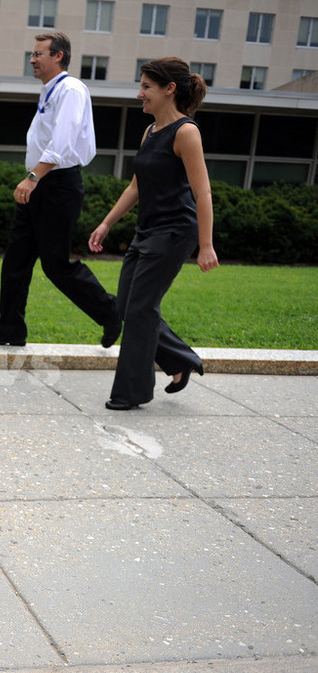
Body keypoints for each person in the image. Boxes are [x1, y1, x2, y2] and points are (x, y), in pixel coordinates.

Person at [88, 57, 219, 411]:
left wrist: (205, 245)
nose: (139, 94)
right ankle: (180, 360)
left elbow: (202, 192)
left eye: (146, 87)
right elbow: (136, 186)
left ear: (169, 89)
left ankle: (131, 392)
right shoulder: (150, 132)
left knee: (142, 308)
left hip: (175, 232)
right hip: (147, 231)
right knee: (129, 306)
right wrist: (107, 222)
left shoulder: (186, 132)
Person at [0, 31, 120, 349]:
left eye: (38, 54)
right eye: (33, 54)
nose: (32, 59)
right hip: (42, 184)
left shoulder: (70, 90)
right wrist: (34, 180)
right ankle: (11, 329)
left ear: (58, 56)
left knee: (55, 265)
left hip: (58, 185)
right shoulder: (49, 91)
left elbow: (63, 142)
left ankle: (111, 312)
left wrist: (32, 177)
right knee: (16, 258)